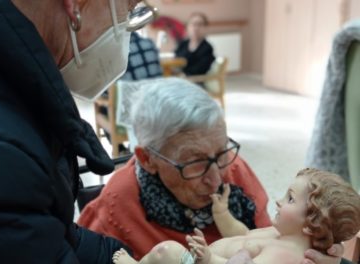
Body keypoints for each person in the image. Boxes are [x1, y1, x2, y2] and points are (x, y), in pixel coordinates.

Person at [0, 0, 157, 263]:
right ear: (75, 4)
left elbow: (44, 236)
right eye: (128, 7)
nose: (127, 26)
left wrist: (123, 258)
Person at [78, 78, 347, 264]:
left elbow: (278, 238)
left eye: (221, 153)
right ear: (147, 159)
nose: (217, 179)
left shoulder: (235, 170)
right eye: (194, 162)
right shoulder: (115, 207)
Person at [112, 168, 360, 264]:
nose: (279, 200)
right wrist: (222, 214)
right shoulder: (280, 233)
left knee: (167, 252)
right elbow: (244, 234)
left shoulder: (286, 256)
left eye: (290, 199)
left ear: (310, 224)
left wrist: (209, 259)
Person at [99, 31, 163, 154]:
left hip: (129, 114)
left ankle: (120, 149)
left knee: (102, 107)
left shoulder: (113, 50)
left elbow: (108, 88)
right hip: (155, 107)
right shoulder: (149, 43)